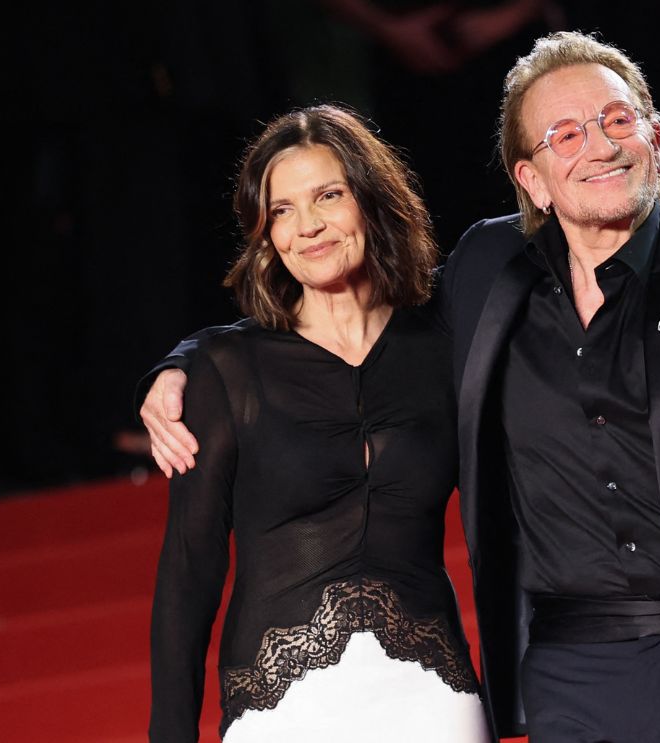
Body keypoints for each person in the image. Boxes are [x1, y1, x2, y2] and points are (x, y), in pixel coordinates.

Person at [142, 32, 660, 742]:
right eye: (564, 134)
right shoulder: (487, 274)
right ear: (529, 178)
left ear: (655, 138)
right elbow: (342, 326)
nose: (597, 143)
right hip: (569, 670)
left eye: (616, 119)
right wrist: (181, 363)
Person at [146, 104, 491, 742]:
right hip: (282, 707)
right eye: (282, 210)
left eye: (327, 196)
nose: (307, 227)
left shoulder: (441, 339)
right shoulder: (229, 369)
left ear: (370, 200)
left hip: (435, 698)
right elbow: (189, 570)